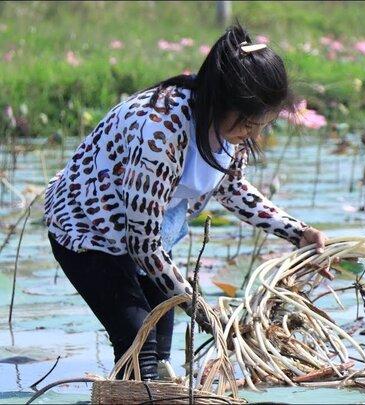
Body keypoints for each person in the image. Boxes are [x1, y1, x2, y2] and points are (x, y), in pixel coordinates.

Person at [43, 23, 327, 380]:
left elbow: (232, 188)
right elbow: (142, 244)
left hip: (147, 235)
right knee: (137, 339)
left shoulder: (228, 129)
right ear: (220, 101)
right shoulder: (158, 133)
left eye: (261, 126)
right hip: (87, 231)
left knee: (161, 345)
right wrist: (205, 313)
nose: (252, 136)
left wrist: (297, 232)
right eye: (249, 124)